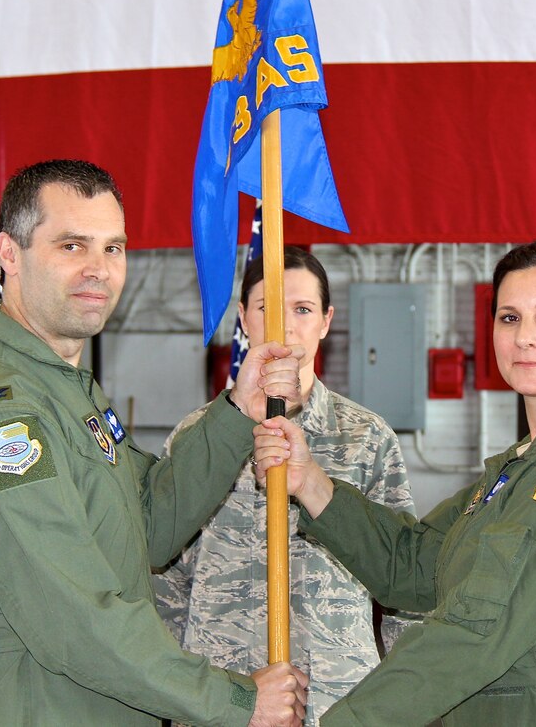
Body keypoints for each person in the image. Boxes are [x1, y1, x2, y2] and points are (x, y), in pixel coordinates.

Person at [0, 159, 308, 727]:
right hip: (40, 707)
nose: (99, 270)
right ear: (9, 254)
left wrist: (237, 412)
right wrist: (236, 701)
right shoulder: (2, 413)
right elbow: (70, 615)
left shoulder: (64, 388)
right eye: (72, 246)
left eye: (113, 248)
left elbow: (146, 526)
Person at [254, 240, 536, 726]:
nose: (525, 338)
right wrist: (310, 482)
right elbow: (413, 566)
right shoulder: (525, 465)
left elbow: (475, 632)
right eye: (509, 318)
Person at [154, 246, 415, 725]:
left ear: (326, 321)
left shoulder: (367, 438)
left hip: (340, 699)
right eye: (267, 308)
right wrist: (173, 701)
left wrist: (403, 702)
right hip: (224, 699)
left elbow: (404, 582)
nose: (285, 327)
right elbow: (164, 585)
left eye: (303, 309)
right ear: (243, 319)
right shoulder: (198, 437)